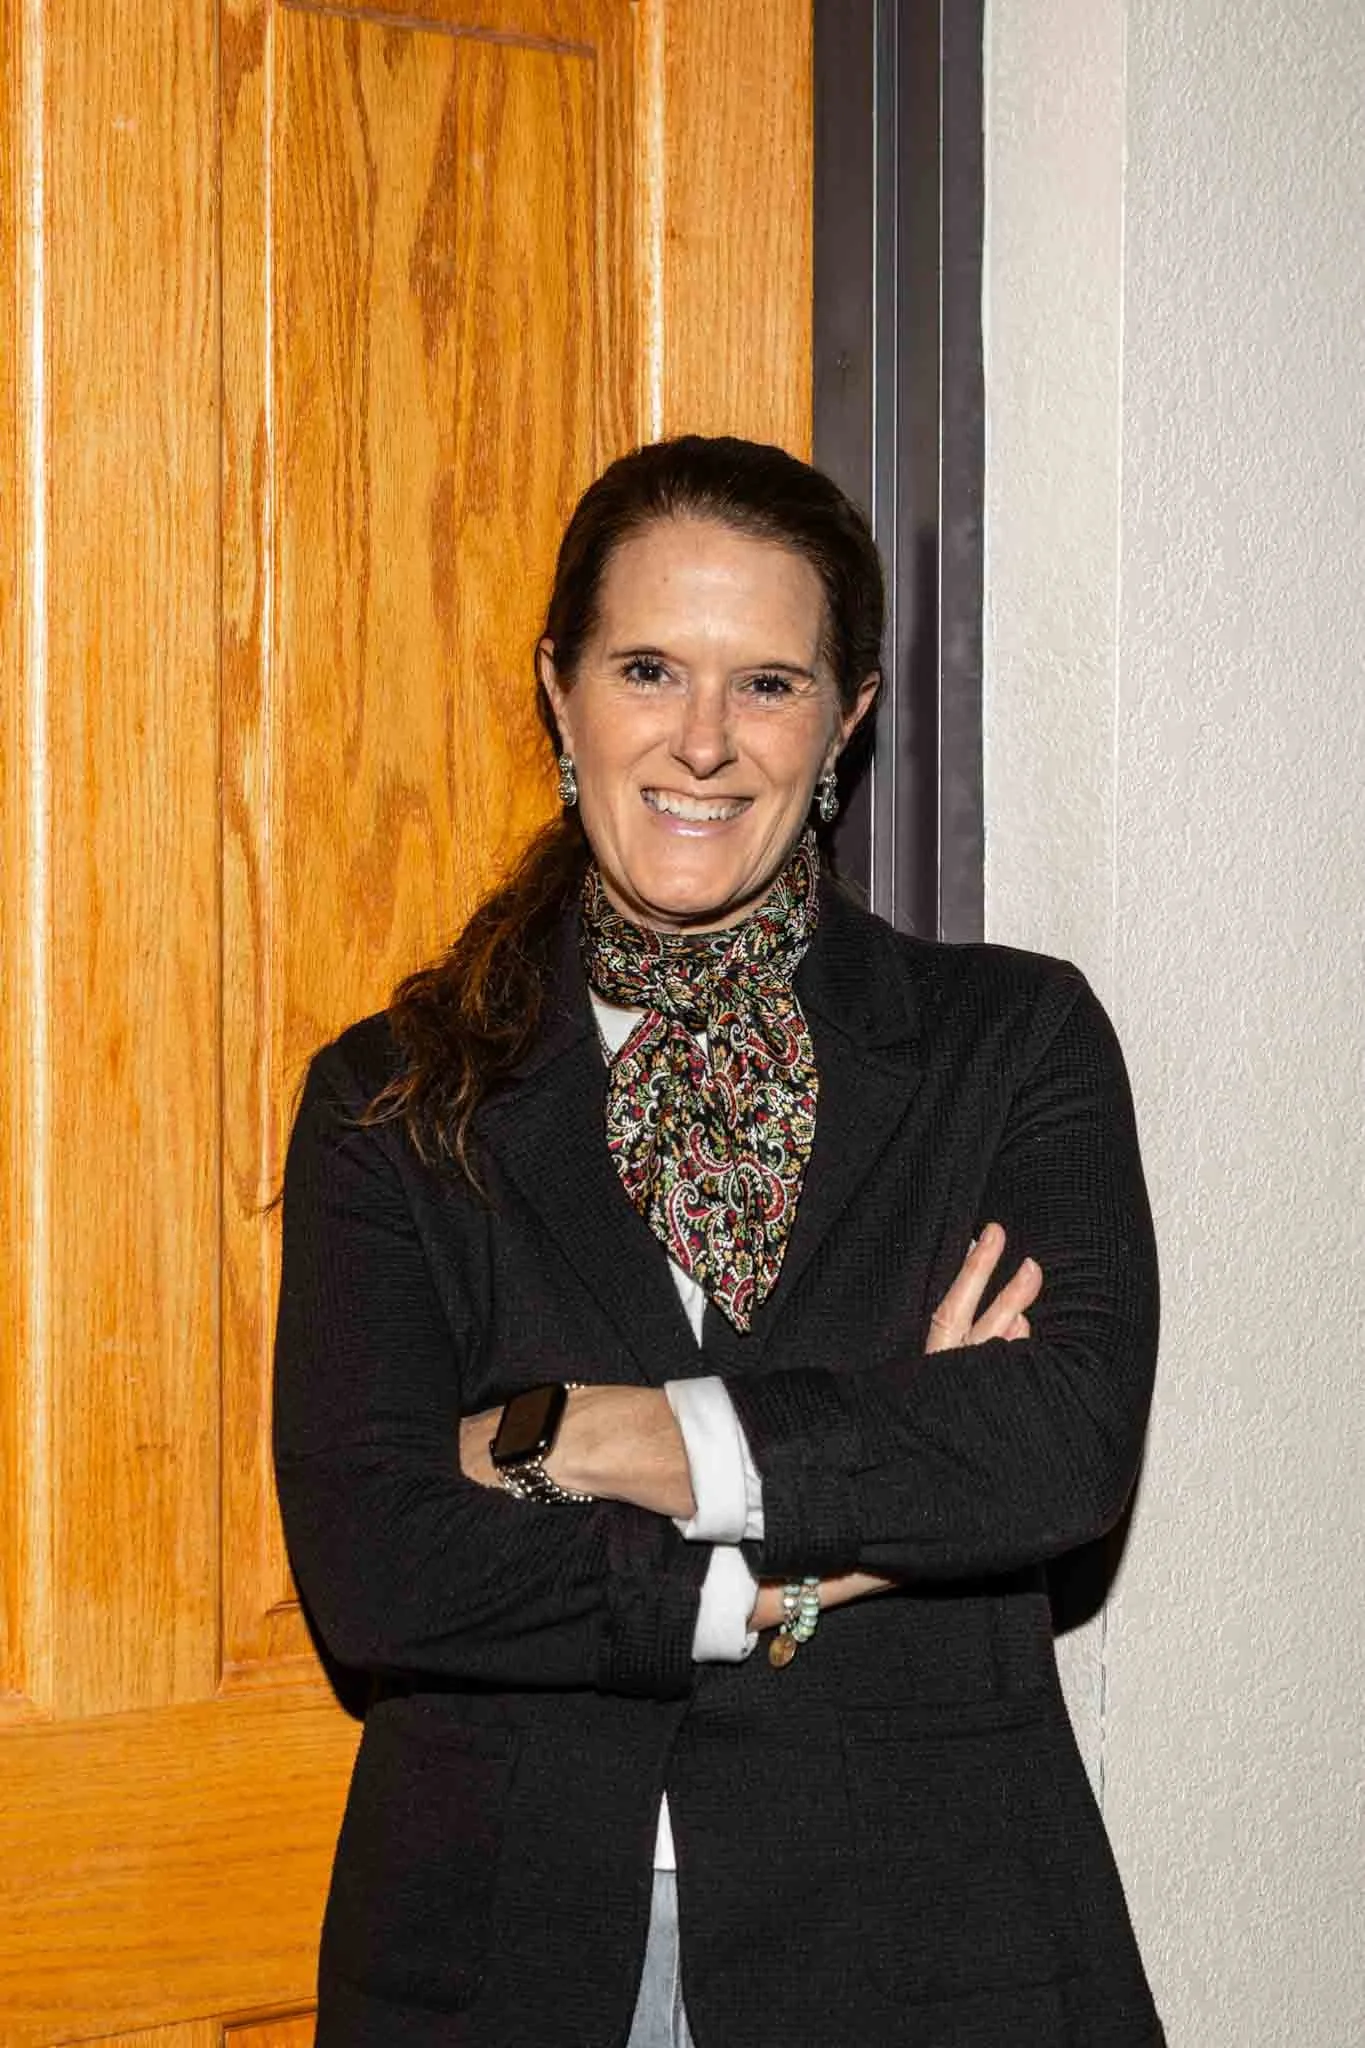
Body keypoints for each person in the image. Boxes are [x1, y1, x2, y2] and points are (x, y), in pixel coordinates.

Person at [273, 435, 1164, 2047]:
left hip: (928, 1942)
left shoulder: (1012, 1045)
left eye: (766, 683)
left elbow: (1055, 1449)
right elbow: (382, 1565)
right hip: (503, 1952)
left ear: (848, 718)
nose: (701, 740)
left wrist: (576, 1434)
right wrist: (798, 1554)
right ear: (560, 694)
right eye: (647, 670)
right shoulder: (388, 1100)